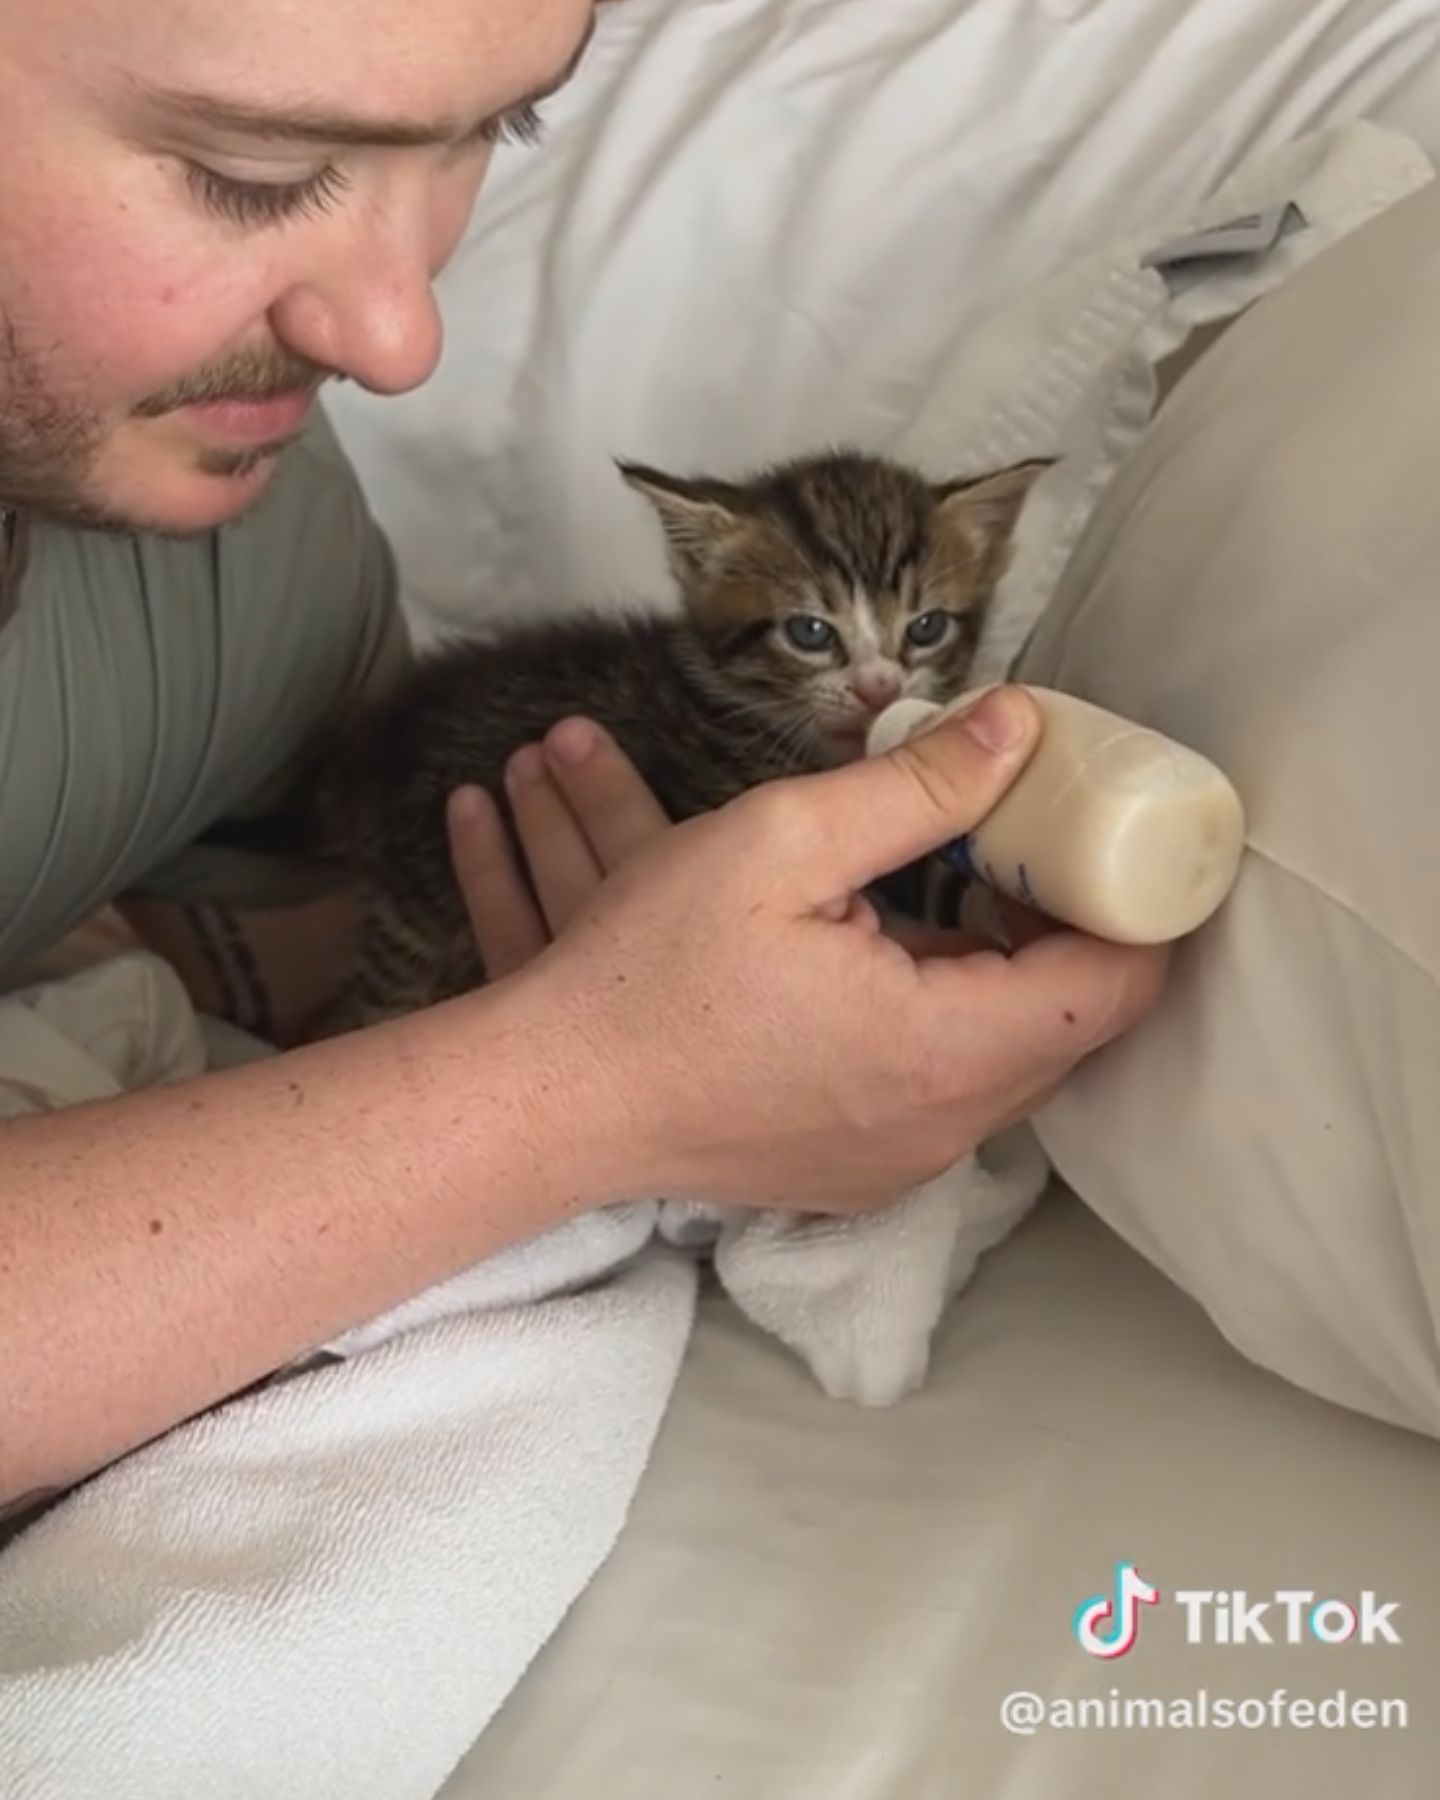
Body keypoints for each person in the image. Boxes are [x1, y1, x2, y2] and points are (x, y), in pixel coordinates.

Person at [0, 0, 1167, 1520]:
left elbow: (256, 967)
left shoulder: (240, 537)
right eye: (257, 168)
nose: (400, 337)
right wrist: (583, 1087)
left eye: (497, 129)